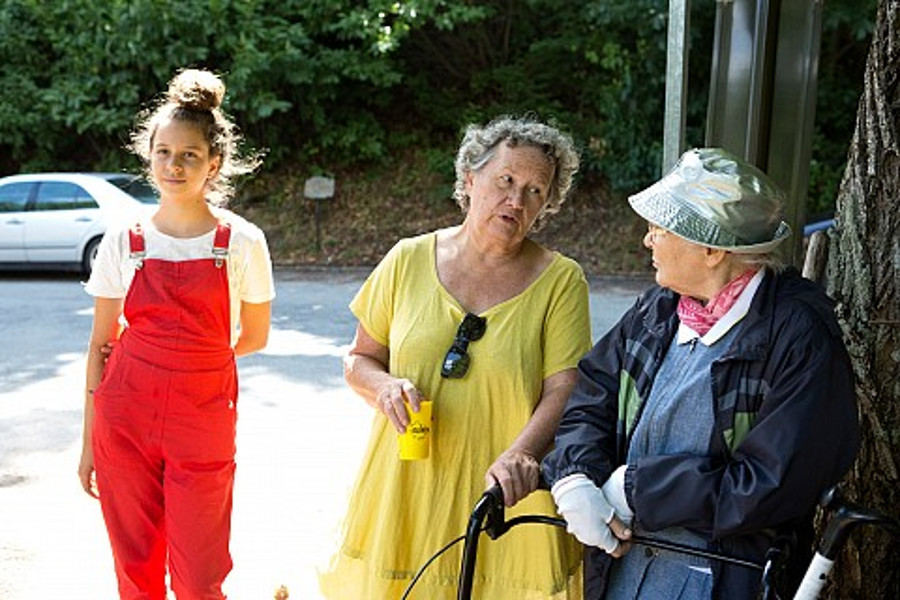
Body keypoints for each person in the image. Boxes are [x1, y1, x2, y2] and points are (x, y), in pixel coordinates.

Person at [541, 147, 860, 599]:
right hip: (624, 575)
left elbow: (771, 485)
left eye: (661, 228)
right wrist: (574, 474)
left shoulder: (798, 336)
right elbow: (593, 395)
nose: (648, 240)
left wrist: (638, 491)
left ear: (711, 249)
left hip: (724, 581)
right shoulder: (659, 308)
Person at [318, 116, 592, 598]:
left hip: (505, 493)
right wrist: (384, 387)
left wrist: (522, 453)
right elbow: (360, 358)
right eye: (505, 181)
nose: (516, 200)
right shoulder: (407, 259)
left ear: (548, 204)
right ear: (470, 178)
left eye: (535, 191)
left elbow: (564, 387)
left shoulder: (561, 280)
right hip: (406, 489)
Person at [77, 68, 275, 599]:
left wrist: (192, 365)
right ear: (149, 156)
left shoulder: (242, 242)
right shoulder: (124, 240)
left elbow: (254, 336)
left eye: (189, 155)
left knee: (200, 575)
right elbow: (100, 346)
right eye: (164, 152)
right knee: (136, 569)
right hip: (124, 419)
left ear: (213, 164)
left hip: (203, 419)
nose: (174, 165)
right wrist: (87, 443)